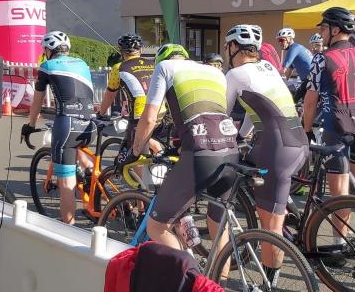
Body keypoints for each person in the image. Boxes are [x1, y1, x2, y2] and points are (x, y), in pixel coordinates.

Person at [118, 43, 239, 259]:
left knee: (157, 225)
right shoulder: (215, 72)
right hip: (230, 151)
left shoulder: (164, 67)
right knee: (219, 228)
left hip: (201, 155)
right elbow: (210, 115)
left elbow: (150, 117)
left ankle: (189, 275)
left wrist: (136, 151)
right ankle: (216, 284)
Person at [223, 24, 309, 281]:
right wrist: (240, 136)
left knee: (270, 227)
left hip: (278, 147)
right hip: (299, 141)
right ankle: (288, 209)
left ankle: (268, 282)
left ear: (233, 47)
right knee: (264, 179)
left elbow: (222, 113)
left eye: (227, 46)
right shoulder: (269, 66)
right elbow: (256, 107)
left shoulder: (235, 74)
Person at [302, 7, 355, 241]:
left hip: (337, 126)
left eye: (323, 28)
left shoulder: (322, 58)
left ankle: (339, 244)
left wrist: (306, 131)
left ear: (334, 29)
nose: (321, 33)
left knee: (339, 192)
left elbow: (310, 101)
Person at [21, 31, 96, 225]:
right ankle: (89, 172)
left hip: (68, 126)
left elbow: (37, 103)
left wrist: (30, 125)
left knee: (66, 183)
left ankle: (68, 230)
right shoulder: (82, 63)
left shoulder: (47, 66)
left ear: (49, 50)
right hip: (90, 125)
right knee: (77, 148)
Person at [97, 33, 162, 162]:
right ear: (141, 50)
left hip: (140, 114)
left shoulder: (118, 68)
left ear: (121, 52)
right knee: (149, 141)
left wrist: (101, 113)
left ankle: (141, 182)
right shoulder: (153, 64)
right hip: (160, 111)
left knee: (136, 153)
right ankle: (162, 159)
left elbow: (110, 95)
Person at [276, 27, 313, 103]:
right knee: (297, 101)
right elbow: (287, 73)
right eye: (278, 41)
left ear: (289, 38)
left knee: (293, 102)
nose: (280, 43)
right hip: (309, 80)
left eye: (281, 40)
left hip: (310, 80)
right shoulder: (296, 48)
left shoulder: (294, 48)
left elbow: (283, 69)